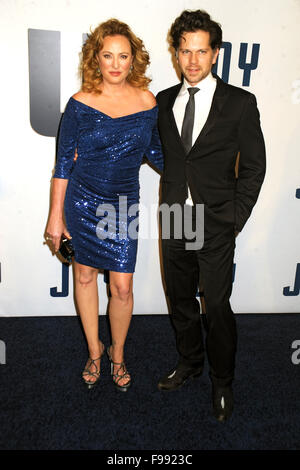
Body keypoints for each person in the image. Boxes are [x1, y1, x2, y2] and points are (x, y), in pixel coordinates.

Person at [156, 10, 266, 421]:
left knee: (216, 306)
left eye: (202, 51)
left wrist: (234, 217)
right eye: (185, 51)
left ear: (216, 53)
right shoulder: (163, 101)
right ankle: (190, 363)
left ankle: (222, 380)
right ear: (177, 54)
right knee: (180, 300)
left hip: (216, 221)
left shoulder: (240, 103)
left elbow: (254, 166)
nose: (193, 60)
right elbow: (162, 154)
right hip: (174, 217)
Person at [45, 19, 163, 391]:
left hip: (123, 203)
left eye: (123, 56)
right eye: (107, 55)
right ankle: (95, 352)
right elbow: (62, 164)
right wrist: (55, 218)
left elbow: (158, 154)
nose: (115, 63)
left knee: (122, 288)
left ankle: (118, 355)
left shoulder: (148, 102)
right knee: (83, 276)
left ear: (134, 60)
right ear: (96, 58)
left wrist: (201, 166)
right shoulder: (79, 104)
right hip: (83, 199)